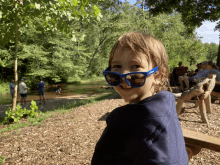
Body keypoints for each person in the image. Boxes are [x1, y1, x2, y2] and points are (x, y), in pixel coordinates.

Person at [91, 32, 188, 165]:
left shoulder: (122, 121)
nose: (124, 76)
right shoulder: (167, 104)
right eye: (117, 67)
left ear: (158, 75)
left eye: (135, 67)